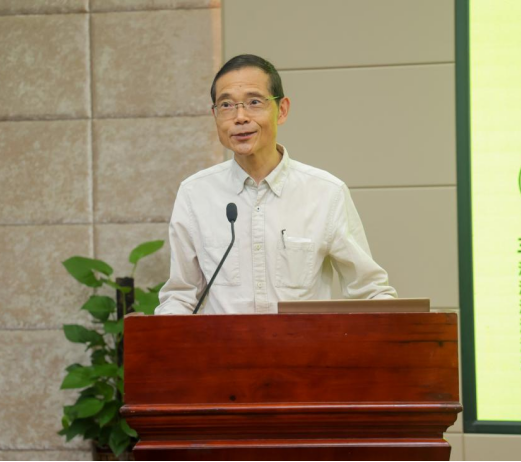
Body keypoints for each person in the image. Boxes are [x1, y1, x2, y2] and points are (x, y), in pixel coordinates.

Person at [156, 54, 396, 315]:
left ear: (282, 110)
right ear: (215, 115)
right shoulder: (195, 193)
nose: (240, 117)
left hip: (303, 343)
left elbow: (369, 290)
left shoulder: (326, 192)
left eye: (254, 102)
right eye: (226, 105)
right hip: (223, 343)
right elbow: (181, 296)